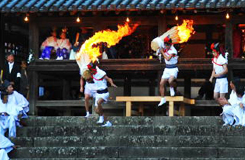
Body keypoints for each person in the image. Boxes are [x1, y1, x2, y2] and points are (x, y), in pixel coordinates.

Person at [82, 62, 117, 127]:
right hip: (98, 93)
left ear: (94, 68)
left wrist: (111, 83)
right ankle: (107, 122)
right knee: (97, 110)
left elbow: (108, 78)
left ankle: (101, 117)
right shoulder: (91, 73)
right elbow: (89, 79)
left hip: (104, 93)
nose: (90, 71)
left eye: (90, 69)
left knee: (98, 102)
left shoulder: (101, 73)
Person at [158, 36, 178, 106]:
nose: (166, 46)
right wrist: (159, 50)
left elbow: (168, 58)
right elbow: (160, 51)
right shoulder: (165, 47)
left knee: (170, 81)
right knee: (161, 83)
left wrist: (162, 52)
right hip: (167, 69)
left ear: (170, 44)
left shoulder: (173, 50)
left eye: (167, 45)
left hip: (173, 68)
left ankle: (172, 87)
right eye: (165, 45)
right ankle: (163, 99)